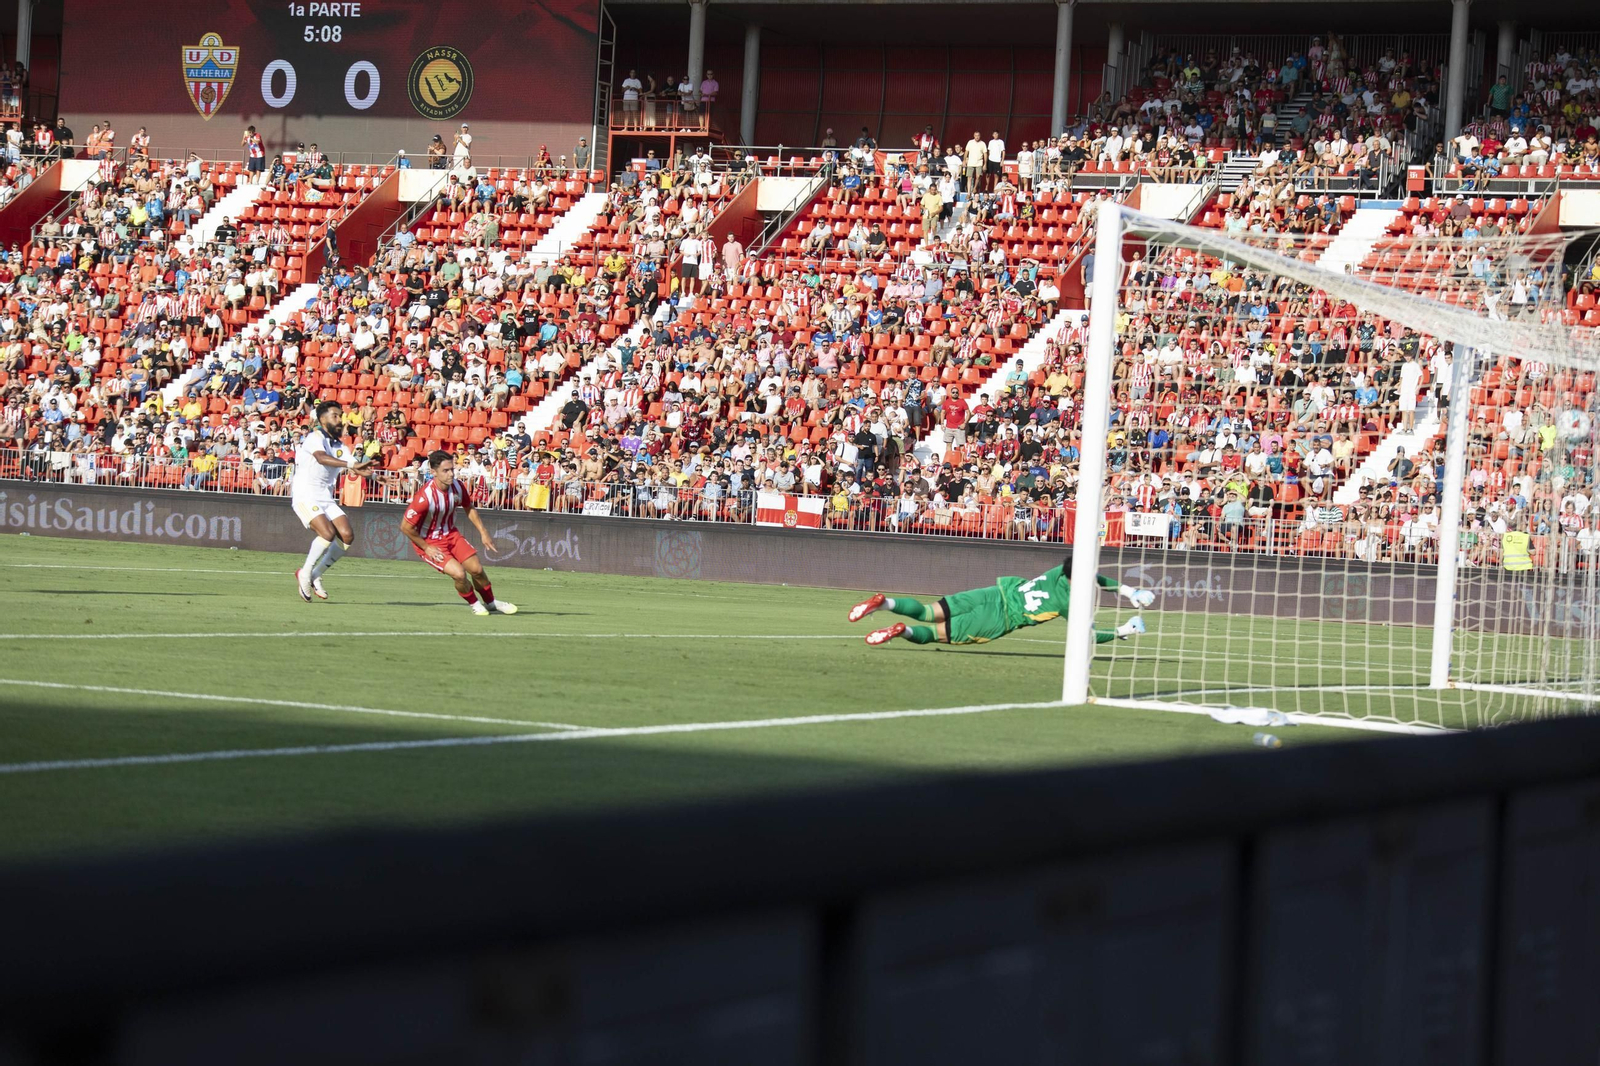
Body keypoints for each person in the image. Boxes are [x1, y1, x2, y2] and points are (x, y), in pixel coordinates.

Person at [848, 553, 1152, 647]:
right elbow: (1088, 636)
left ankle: (885, 602)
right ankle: (903, 631)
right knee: (936, 634)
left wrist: (1128, 591)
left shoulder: (1059, 571)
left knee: (930, 610)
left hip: (995, 592)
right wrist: (1123, 630)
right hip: (999, 619)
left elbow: (1093, 576)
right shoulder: (1068, 603)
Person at [400, 450, 518, 616]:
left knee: (476, 569)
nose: (450, 474)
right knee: (459, 574)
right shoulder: (424, 498)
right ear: (433, 472)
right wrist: (426, 547)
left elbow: (469, 508)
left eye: (452, 470)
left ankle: (491, 602)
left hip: (451, 535)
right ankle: (474, 603)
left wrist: (483, 532)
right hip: (431, 542)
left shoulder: (457, 487)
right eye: (445, 471)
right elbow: (405, 527)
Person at [291, 400, 372, 601]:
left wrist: (378, 477)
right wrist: (349, 464)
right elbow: (321, 458)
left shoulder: (339, 445)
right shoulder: (314, 437)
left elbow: (355, 466)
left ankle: (316, 575)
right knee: (327, 533)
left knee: (347, 535)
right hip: (305, 494)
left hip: (325, 496)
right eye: (335, 416)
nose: (339, 419)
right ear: (322, 419)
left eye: (340, 415)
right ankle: (305, 572)